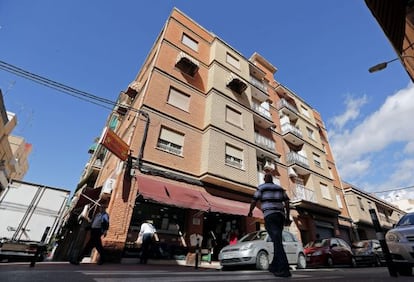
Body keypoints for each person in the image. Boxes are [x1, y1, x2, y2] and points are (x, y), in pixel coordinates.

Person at [248, 173, 292, 278]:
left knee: (277, 241)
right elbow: (287, 202)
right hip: (280, 216)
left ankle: (284, 269)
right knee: (277, 240)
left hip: (270, 216)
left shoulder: (262, 188)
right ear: (272, 179)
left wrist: (250, 211)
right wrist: (287, 216)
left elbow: (254, 200)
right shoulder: (279, 188)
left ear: (265, 179)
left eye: (264, 178)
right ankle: (274, 266)